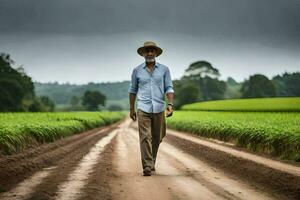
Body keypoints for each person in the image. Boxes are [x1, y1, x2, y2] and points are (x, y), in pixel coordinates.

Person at [128, 41, 174, 176]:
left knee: (158, 136)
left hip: (160, 107)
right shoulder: (137, 71)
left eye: (152, 51)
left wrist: (170, 104)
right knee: (145, 137)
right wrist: (132, 108)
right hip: (143, 107)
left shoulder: (164, 70)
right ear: (143, 53)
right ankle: (147, 165)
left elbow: (169, 87)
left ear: (156, 53)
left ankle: (151, 160)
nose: (149, 53)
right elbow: (132, 90)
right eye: (147, 51)